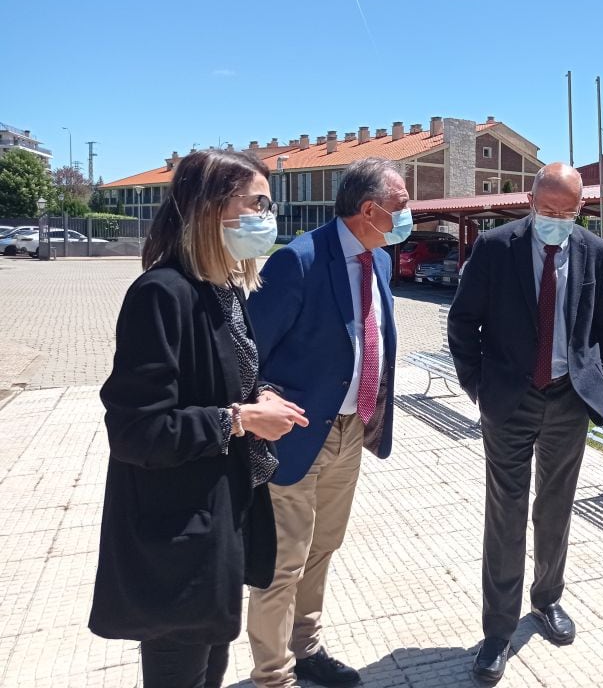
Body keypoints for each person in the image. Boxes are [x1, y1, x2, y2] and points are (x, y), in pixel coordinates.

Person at [89, 149, 309, 688]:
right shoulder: (161, 295)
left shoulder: (224, 287)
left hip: (220, 519)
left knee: (210, 669)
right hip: (174, 537)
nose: (268, 217)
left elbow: (220, 377)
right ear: (212, 207)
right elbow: (137, 430)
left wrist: (262, 399)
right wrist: (239, 419)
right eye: (257, 203)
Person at [447, 162, 603, 685]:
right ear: (530, 200)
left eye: (567, 212)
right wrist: (480, 387)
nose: (557, 220)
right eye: (548, 211)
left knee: (556, 507)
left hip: (568, 400)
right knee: (505, 513)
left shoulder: (594, 249)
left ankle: (547, 599)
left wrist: (595, 376)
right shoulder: (496, 247)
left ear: (581, 208)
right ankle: (497, 631)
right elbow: (462, 322)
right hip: (509, 401)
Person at [245, 157, 407, 688]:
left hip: (351, 433)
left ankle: (305, 647)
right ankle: (274, 676)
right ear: (370, 209)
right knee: (283, 562)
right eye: (402, 207)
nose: (410, 218)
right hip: (295, 437)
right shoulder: (298, 260)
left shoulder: (378, 259)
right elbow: (249, 354)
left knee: (322, 549)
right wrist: (263, 403)